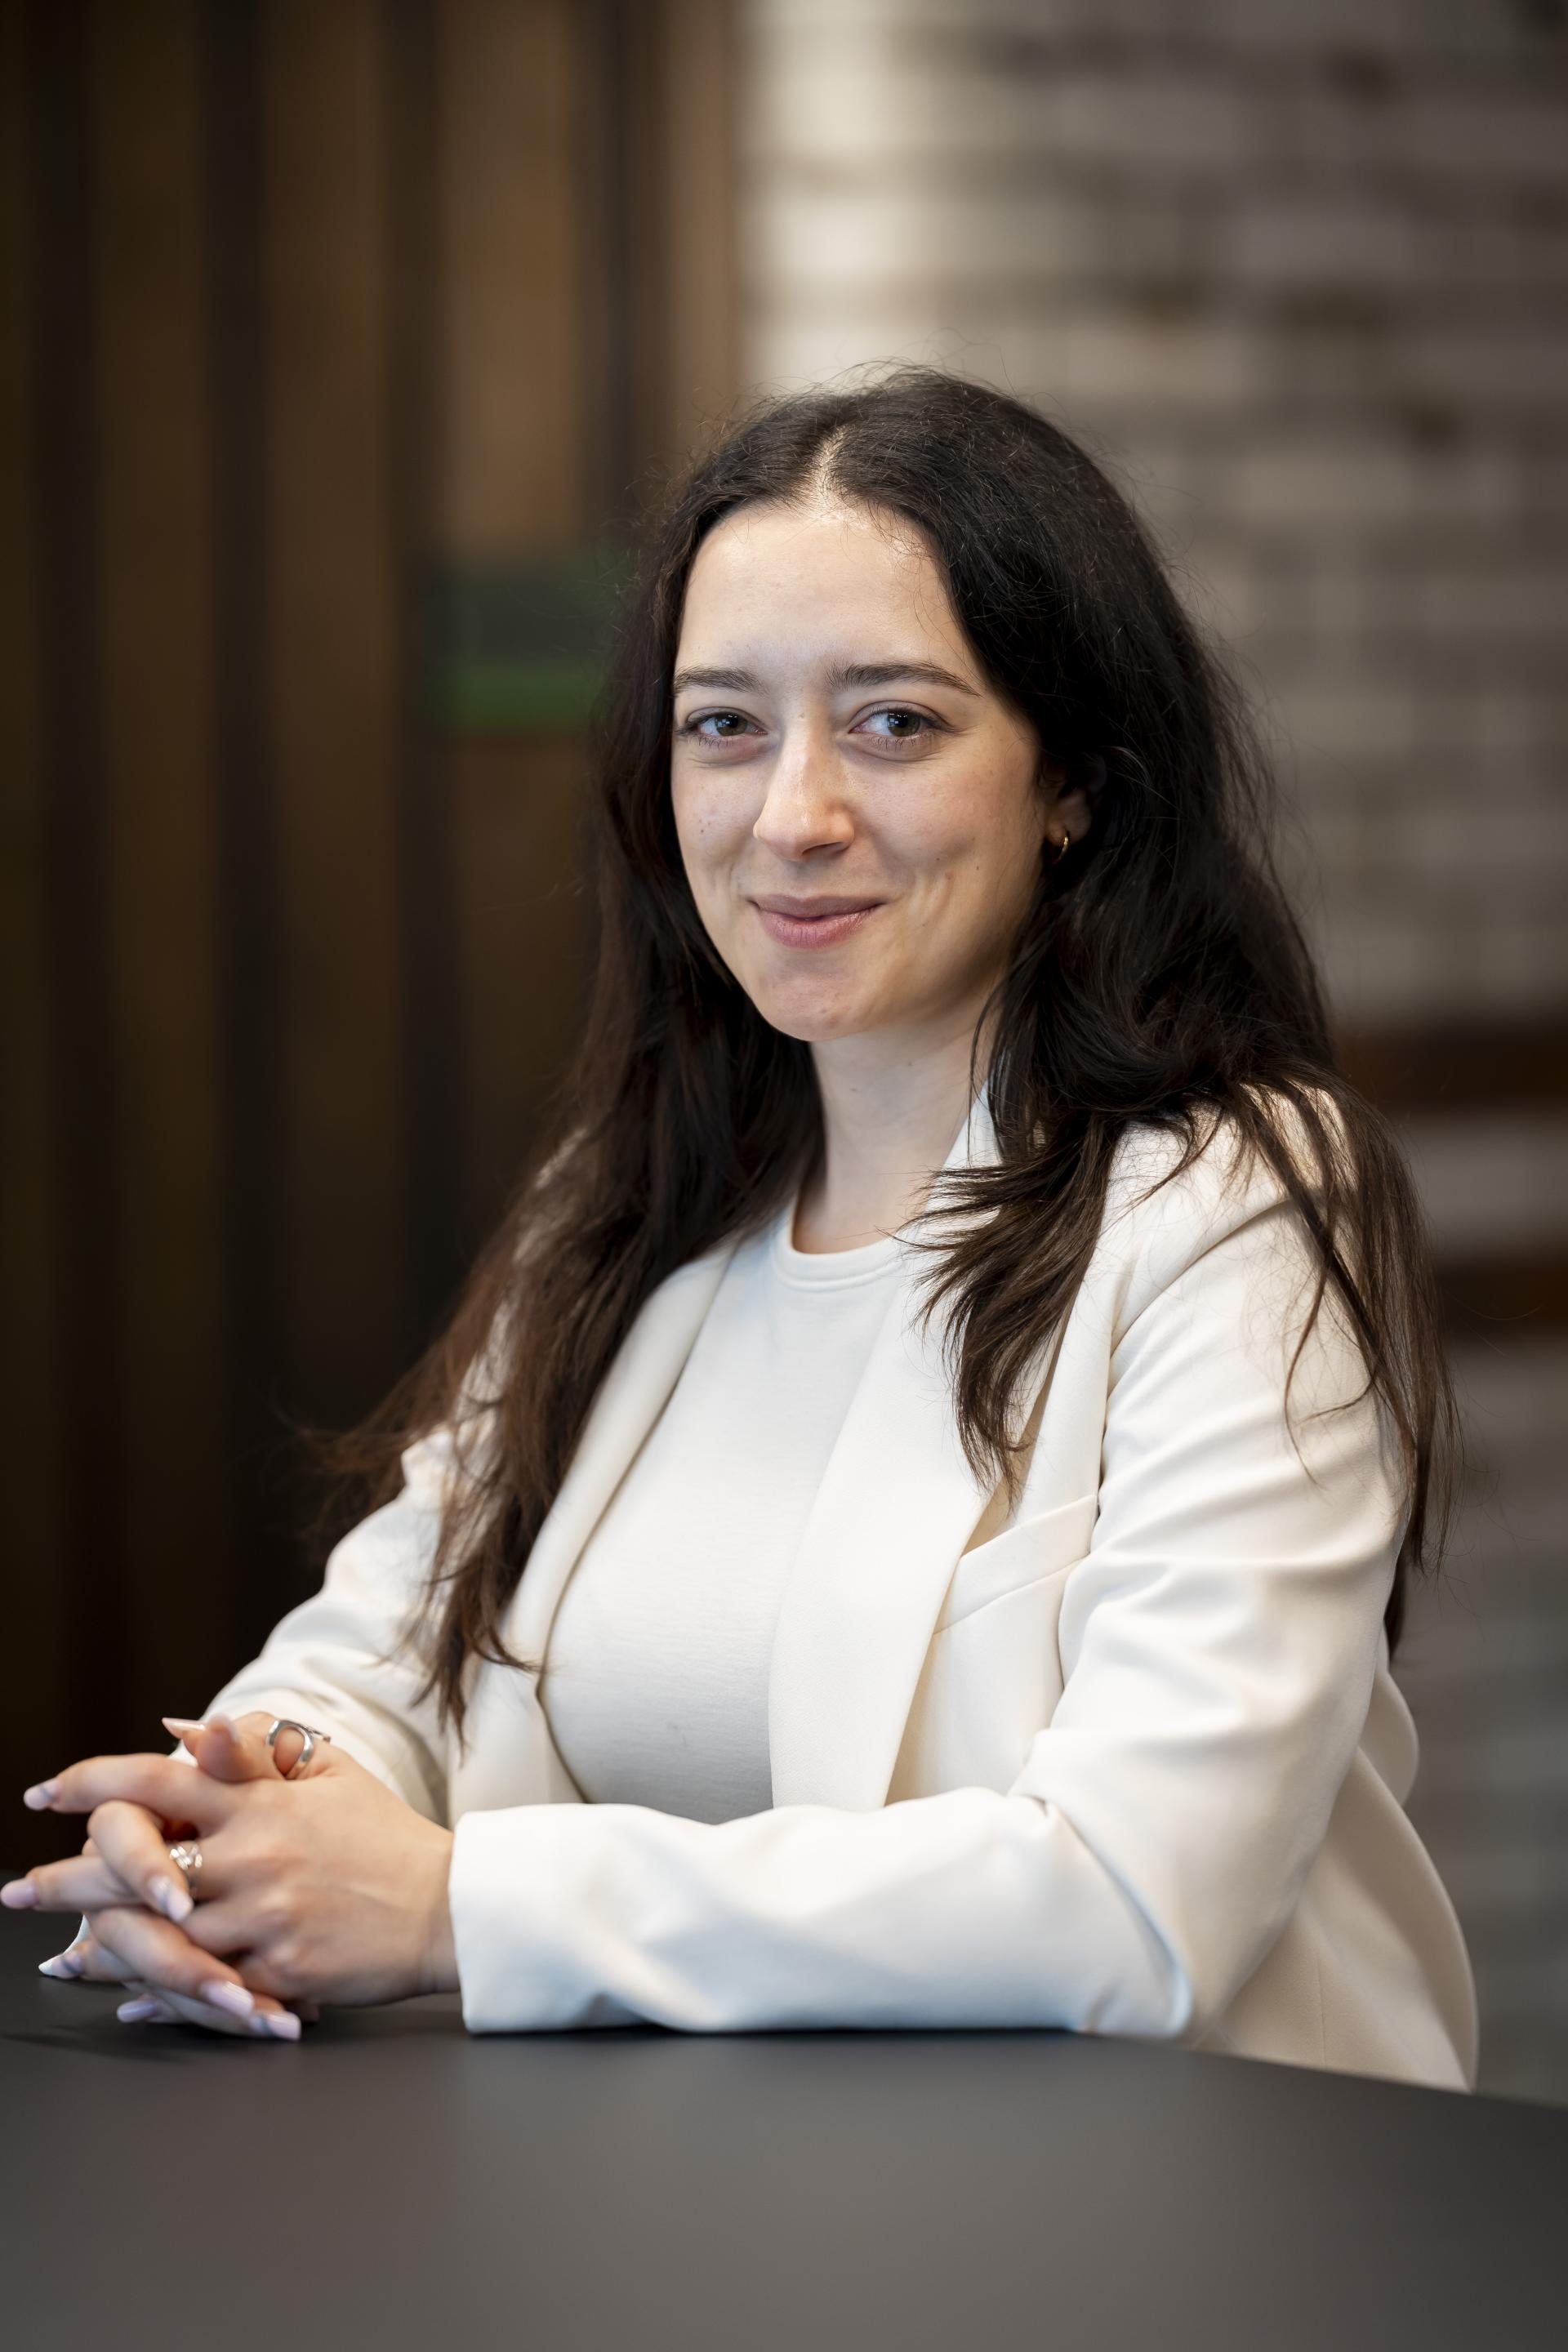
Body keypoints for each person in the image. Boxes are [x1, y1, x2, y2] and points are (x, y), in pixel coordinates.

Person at [7, 366, 1477, 2086]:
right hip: (722, 2230)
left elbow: (1134, 1900)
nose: (793, 814)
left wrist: (464, 1908)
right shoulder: (630, 1209)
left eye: (893, 722)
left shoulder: (1238, 1205)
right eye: (725, 724)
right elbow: (382, 1658)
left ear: (1072, 781)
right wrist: (226, 1827)